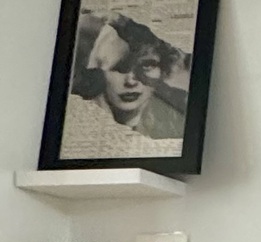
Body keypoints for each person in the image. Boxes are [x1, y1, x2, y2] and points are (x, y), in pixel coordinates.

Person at [58, 15, 185, 160]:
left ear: (163, 69)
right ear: (100, 69)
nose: (131, 81)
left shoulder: (176, 122)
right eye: (119, 67)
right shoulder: (76, 125)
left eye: (147, 65)